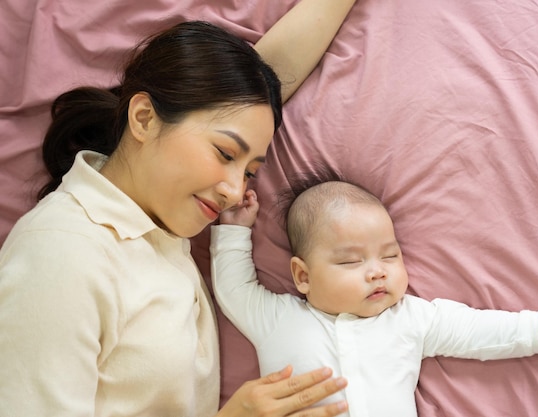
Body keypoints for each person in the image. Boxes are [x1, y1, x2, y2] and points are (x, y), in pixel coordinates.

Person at [0, 1, 358, 416]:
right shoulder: (61, 254)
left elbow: (253, 89)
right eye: (225, 154)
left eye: (250, 172)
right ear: (144, 119)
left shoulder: (150, 219)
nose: (232, 189)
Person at [211, 178, 538, 416]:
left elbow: (474, 330)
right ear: (303, 276)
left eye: (390, 255)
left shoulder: (409, 318)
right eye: (352, 261)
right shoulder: (278, 319)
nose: (378, 270)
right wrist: (233, 231)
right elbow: (234, 290)